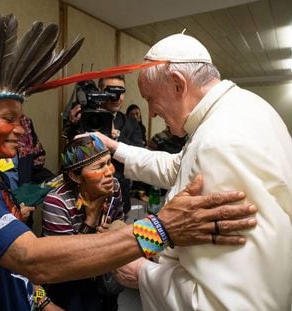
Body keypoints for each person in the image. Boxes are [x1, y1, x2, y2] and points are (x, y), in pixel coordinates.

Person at [0, 11, 257, 311]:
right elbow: (31, 258)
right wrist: (160, 229)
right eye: (8, 119)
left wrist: (42, 302)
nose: (21, 129)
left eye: (22, 118)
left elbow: (10, 268)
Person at [92, 33, 292, 310]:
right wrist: (115, 147)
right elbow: (178, 165)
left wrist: (143, 274)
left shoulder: (219, 142)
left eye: (151, 99)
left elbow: (226, 303)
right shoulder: (242, 108)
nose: (150, 113)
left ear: (177, 84)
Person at [42, 135, 124, 311]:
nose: (110, 171)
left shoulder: (114, 186)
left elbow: (119, 221)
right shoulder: (57, 202)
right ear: (76, 176)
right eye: (99, 167)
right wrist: (91, 218)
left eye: (109, 162)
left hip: (103, 273)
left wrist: (116, 230)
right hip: (69, 284)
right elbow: (65, 262)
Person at [64, 75, 145, 215]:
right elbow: (72, 154)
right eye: (111, 91)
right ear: (99, 92)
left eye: (121, 92)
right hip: (83, 196)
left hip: (118, 195)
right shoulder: (84, 116)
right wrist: (73, 125)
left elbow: (139, 155)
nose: (117, 97)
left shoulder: (131, 123)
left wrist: (116, 137)